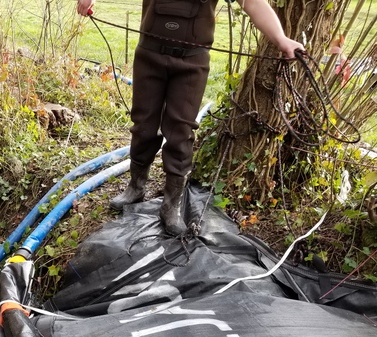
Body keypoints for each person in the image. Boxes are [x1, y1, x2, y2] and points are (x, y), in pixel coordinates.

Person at [77, 0, 304, 235]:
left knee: (180, 132)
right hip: (149, 55)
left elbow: (254, 3)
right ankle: (135, 188)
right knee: (143, 125)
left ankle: (171, 205)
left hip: (192, 62)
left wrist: (281, 40)